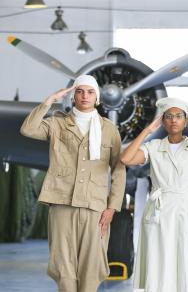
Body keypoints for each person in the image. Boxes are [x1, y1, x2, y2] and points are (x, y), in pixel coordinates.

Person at [20, 75, 125, 292]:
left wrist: (112, 207)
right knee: (63, 263)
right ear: (73, 96)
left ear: (96, 97)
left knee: (92, 263)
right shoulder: (56, 124)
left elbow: (118, 169)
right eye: (80, 91)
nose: (85, 96)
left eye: (90, 92)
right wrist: (48, 102)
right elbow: (28, 129)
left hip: (95, 206)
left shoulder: (109, 130)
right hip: (61, 202)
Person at [120, 97, 188, 291]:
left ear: (185, 121)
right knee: (159, 263)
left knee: (186, 262)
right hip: (159, 211)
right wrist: (146, 131)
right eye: (169, 116)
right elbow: (126, 158)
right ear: (162, 121)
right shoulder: (153, 147)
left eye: (178, 116)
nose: (174, 120)